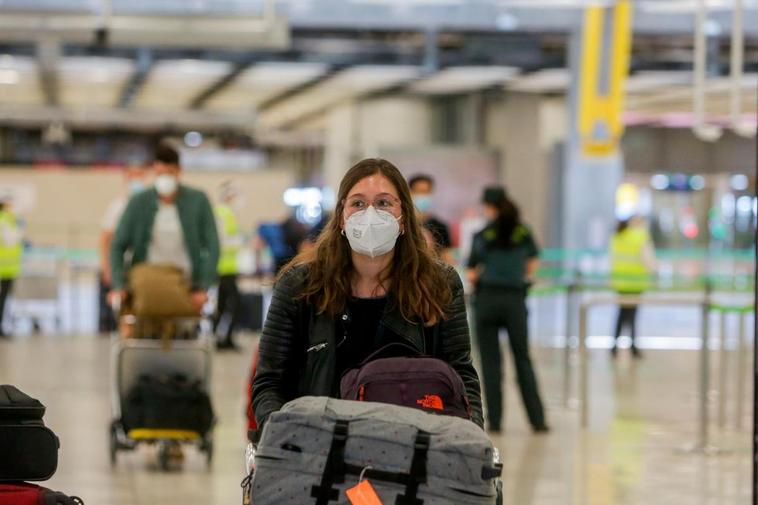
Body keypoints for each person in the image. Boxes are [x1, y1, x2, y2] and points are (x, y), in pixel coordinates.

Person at [252, 158, 483, 429]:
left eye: (384, 203)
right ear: (340, 217)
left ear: (404, 219)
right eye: (358, 203)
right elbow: (269, 382)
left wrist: (470, 437)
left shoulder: (439, 284)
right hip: (319, 445)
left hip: (412, 446)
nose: (371, 213)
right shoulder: (299, 286)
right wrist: (285, 439)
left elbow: (462, 377)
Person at [467, 186, 548, 434]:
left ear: (490, 207)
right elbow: (533, 262)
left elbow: (471, 273)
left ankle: (496, 421)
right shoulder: (523, 232)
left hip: (488, 300)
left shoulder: (483, 234)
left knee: (491, 364)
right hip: (514, 301)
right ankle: (537, 420)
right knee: (523, 360)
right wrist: (518, 275)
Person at [109, 143, 220, 317]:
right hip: (147, 283)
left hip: (185, 283)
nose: (165, 178)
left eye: (169, 173)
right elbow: (117, 245)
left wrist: (203, 286)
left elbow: (213, 245)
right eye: (160, 173)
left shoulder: (198, 201)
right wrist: (119, 286)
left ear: (178, 171)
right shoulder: (139, 202)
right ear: (154, 171)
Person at [98, 166, 147, 334]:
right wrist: (107, 267)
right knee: (126, 314)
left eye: (139, 175)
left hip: (143, 269)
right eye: (132, 176)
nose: (136, 179)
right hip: (123, 270)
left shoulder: (149, 205)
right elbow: (106, 240)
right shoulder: (117, 207)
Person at [609, 216, 655, 358]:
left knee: (622, 313)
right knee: (632, 315)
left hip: (620, 281)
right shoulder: (640, 237)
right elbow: (648, 261)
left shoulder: (618, 236)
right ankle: (632, 346)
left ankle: (616, 346)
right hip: (635, 282)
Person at [213, 181, 243, 351]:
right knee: (234, 304)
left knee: (223, 306)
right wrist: (241, 241)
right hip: (224, 269)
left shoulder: (228, 213)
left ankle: (222, 339)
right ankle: (223, 339)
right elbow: (223, 241)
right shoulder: (222, 214)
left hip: (228, 268)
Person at [408, 174, 454, 264]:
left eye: (427, 192)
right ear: (410, 193)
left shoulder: (441, 227)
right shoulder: (403, 224)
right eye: (420, 191)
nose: (424, 196)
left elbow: (448, 259)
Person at [0, 195, 22, 339]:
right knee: (2, 300)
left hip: (9, 268)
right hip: (3, 268)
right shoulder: (4, 220)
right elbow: (10, 240)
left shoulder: (10, 220)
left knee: (4, 300)